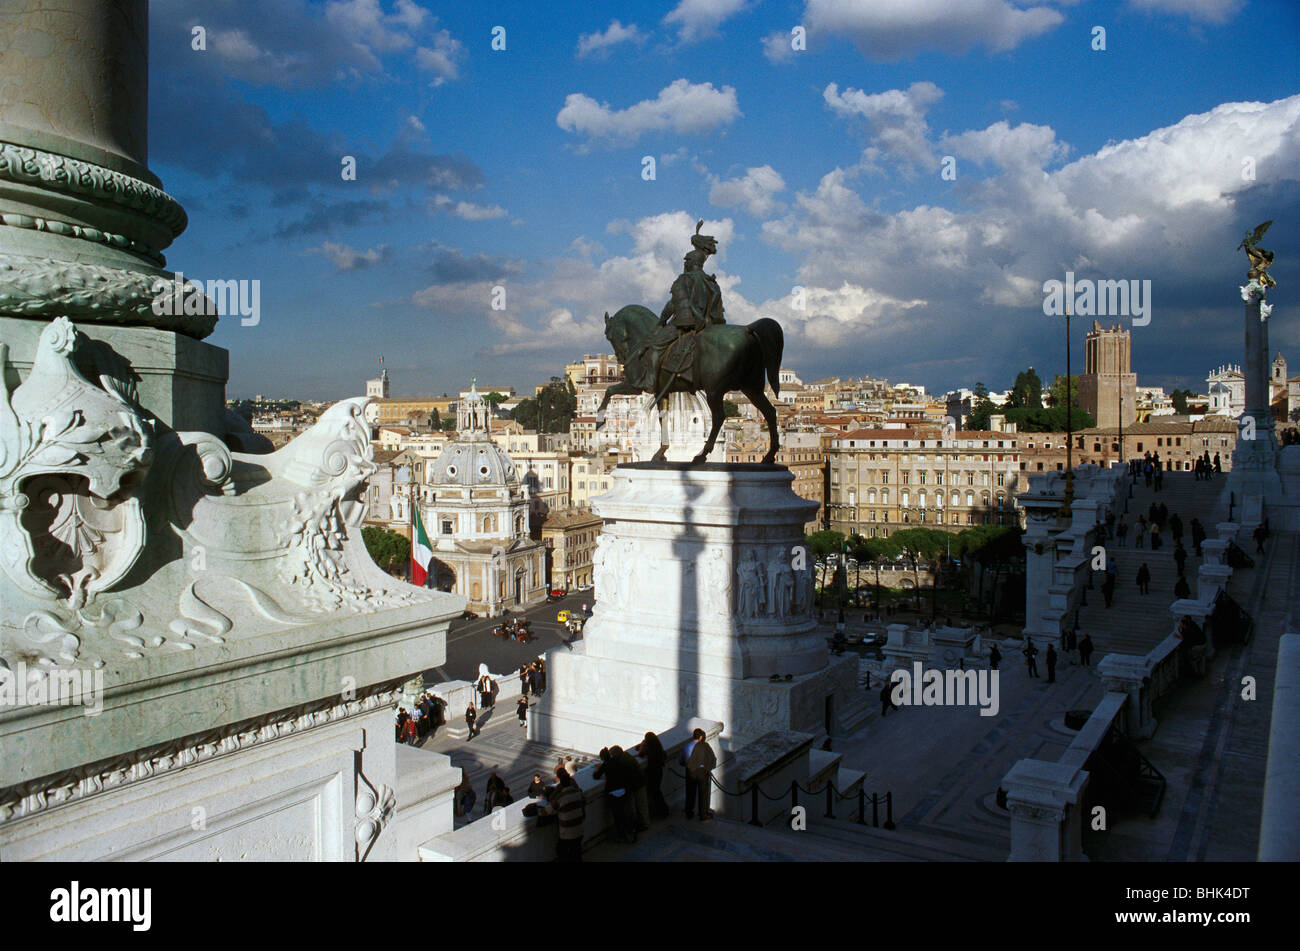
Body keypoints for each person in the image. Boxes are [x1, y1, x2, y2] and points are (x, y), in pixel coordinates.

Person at [593, 747, 636, 843]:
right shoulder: (618, 762)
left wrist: (597, 769)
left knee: (618, 816)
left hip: (613, 793)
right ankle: (631, 832)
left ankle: (621, 835)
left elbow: (596, 776)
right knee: (625, 814)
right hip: (624, 791)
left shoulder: (605, 764)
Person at [550, 770, 586, 862]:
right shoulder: (578, 792)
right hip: (579, 829)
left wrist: (557, 789)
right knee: (576, 853)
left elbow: (552, 807)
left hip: (567, 833)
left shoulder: (561, 796)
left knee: (562, 851)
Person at [685, 728, 717, 821]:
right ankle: (703, 814)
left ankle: (689, 812)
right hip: (702, 773)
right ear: (701, 737)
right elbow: (712, 758)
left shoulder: (687, 746)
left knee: (690, 793)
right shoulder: (705, 746)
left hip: (690, 772)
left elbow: (681, 760)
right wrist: (707, 769)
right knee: (703, 794)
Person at [637, 731, 670, 820]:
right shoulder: (658, 748)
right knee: (657, 792)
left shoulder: (650, 751)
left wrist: (642, 745)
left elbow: (640, 753)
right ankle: (663, 811)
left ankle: (661, 811)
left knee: (653, 793)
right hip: (658, 773)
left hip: (652, 775)